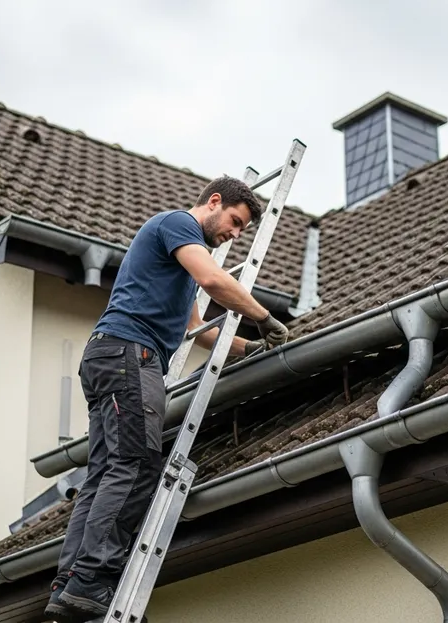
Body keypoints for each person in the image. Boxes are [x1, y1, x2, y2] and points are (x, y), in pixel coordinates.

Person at [45, 176, 290, 621]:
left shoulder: (176, 260)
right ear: (214, 202)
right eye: (235, 222)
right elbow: (215, 280)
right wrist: (265, 317)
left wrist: (248, 348)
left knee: (104, 474)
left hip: (108, 355)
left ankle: (69, 584)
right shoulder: (178, 224)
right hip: (129, 356)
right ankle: (91, 578)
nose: (235, 234)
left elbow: (194, 328)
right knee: (136, 465)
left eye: (242, 231)